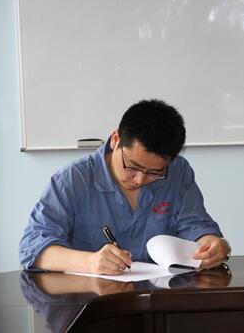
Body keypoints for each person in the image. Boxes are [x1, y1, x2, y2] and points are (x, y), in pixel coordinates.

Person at [19, 99, 230, 274]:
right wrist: (90, 262)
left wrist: (213, 245)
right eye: (133, 166)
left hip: (160, 295)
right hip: (90, 299)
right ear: (115, 139)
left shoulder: (178, 172)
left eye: (155, 172)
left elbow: (195, 225)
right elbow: (33, 247)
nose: (140, 179)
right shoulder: (73, 179)